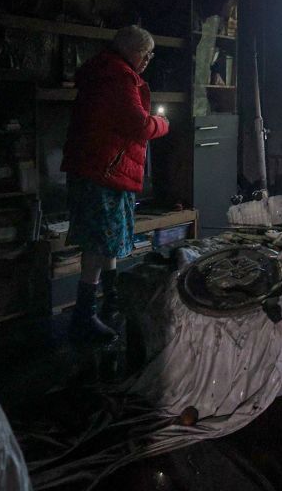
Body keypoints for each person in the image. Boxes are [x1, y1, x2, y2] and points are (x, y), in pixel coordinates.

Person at [61, 25, 170, 342]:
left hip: (99, 169)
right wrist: (163, 123)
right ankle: (85, 316)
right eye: (146, 53)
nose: (148, 59)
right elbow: (139, 125)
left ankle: (111, 303)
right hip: (104, 173)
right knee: (98, 244)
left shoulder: (104, 72)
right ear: (132, 51)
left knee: (107, 240)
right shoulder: (118, 77)